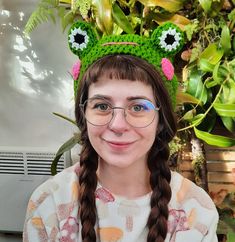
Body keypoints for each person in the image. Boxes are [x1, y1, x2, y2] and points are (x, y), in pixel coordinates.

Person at [23, 21, 219, 242]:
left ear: (161, 120)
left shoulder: (195, 212)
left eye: (138, 107)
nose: (118, 125)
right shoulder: (50, 204)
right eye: (102, 106)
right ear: (84, 116)